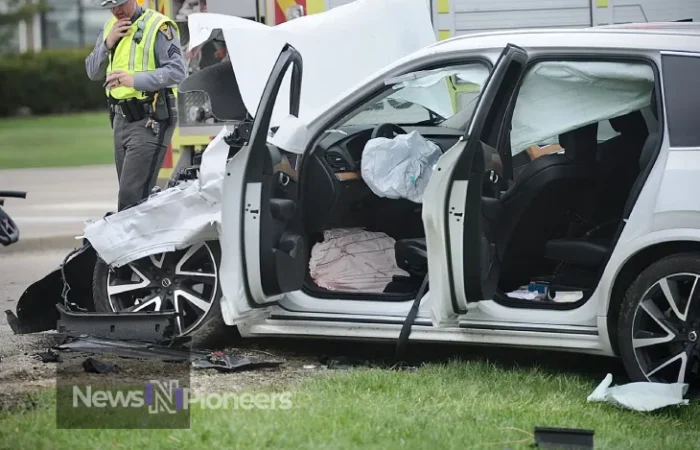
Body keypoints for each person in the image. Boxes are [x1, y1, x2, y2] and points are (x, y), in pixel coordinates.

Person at [86, 0, 186, 211]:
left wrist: (134, 79)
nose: (117, 11)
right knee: (135, 196)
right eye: (111, 7)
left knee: (130, 198)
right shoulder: (109, 27)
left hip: (150, 118)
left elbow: (177, 71)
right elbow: (92, 72)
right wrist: (107, 43)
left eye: (121, 4)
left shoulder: (160, 26)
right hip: (120, 119)